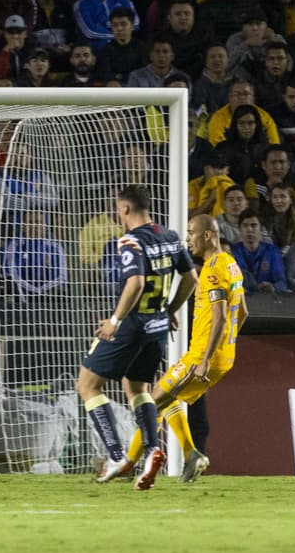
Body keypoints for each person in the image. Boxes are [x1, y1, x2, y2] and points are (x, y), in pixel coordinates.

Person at [78, 184, 197, 488]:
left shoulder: (129, 241)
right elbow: (190, 278)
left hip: (131, 326)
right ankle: (152, 450)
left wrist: (115, 321)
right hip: (157, 328)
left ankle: (117, 455)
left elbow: (136, 283)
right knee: (138, 389)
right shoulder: (171, 236)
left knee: (88, 385)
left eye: (118, 209)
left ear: (125, 209)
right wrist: (171, 309)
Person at [148, 213, 246, 485]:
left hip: (203, 357)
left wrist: (204, 359)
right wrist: (228, 343)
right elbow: (243, 312)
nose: (187, 238)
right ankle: (190, 455)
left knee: (152, 401)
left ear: (207, 235)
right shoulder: (231, 264)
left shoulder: (213, 269)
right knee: (167, 400)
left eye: (191, 232)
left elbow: (222, 316)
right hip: (224, 356)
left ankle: (129, 463)